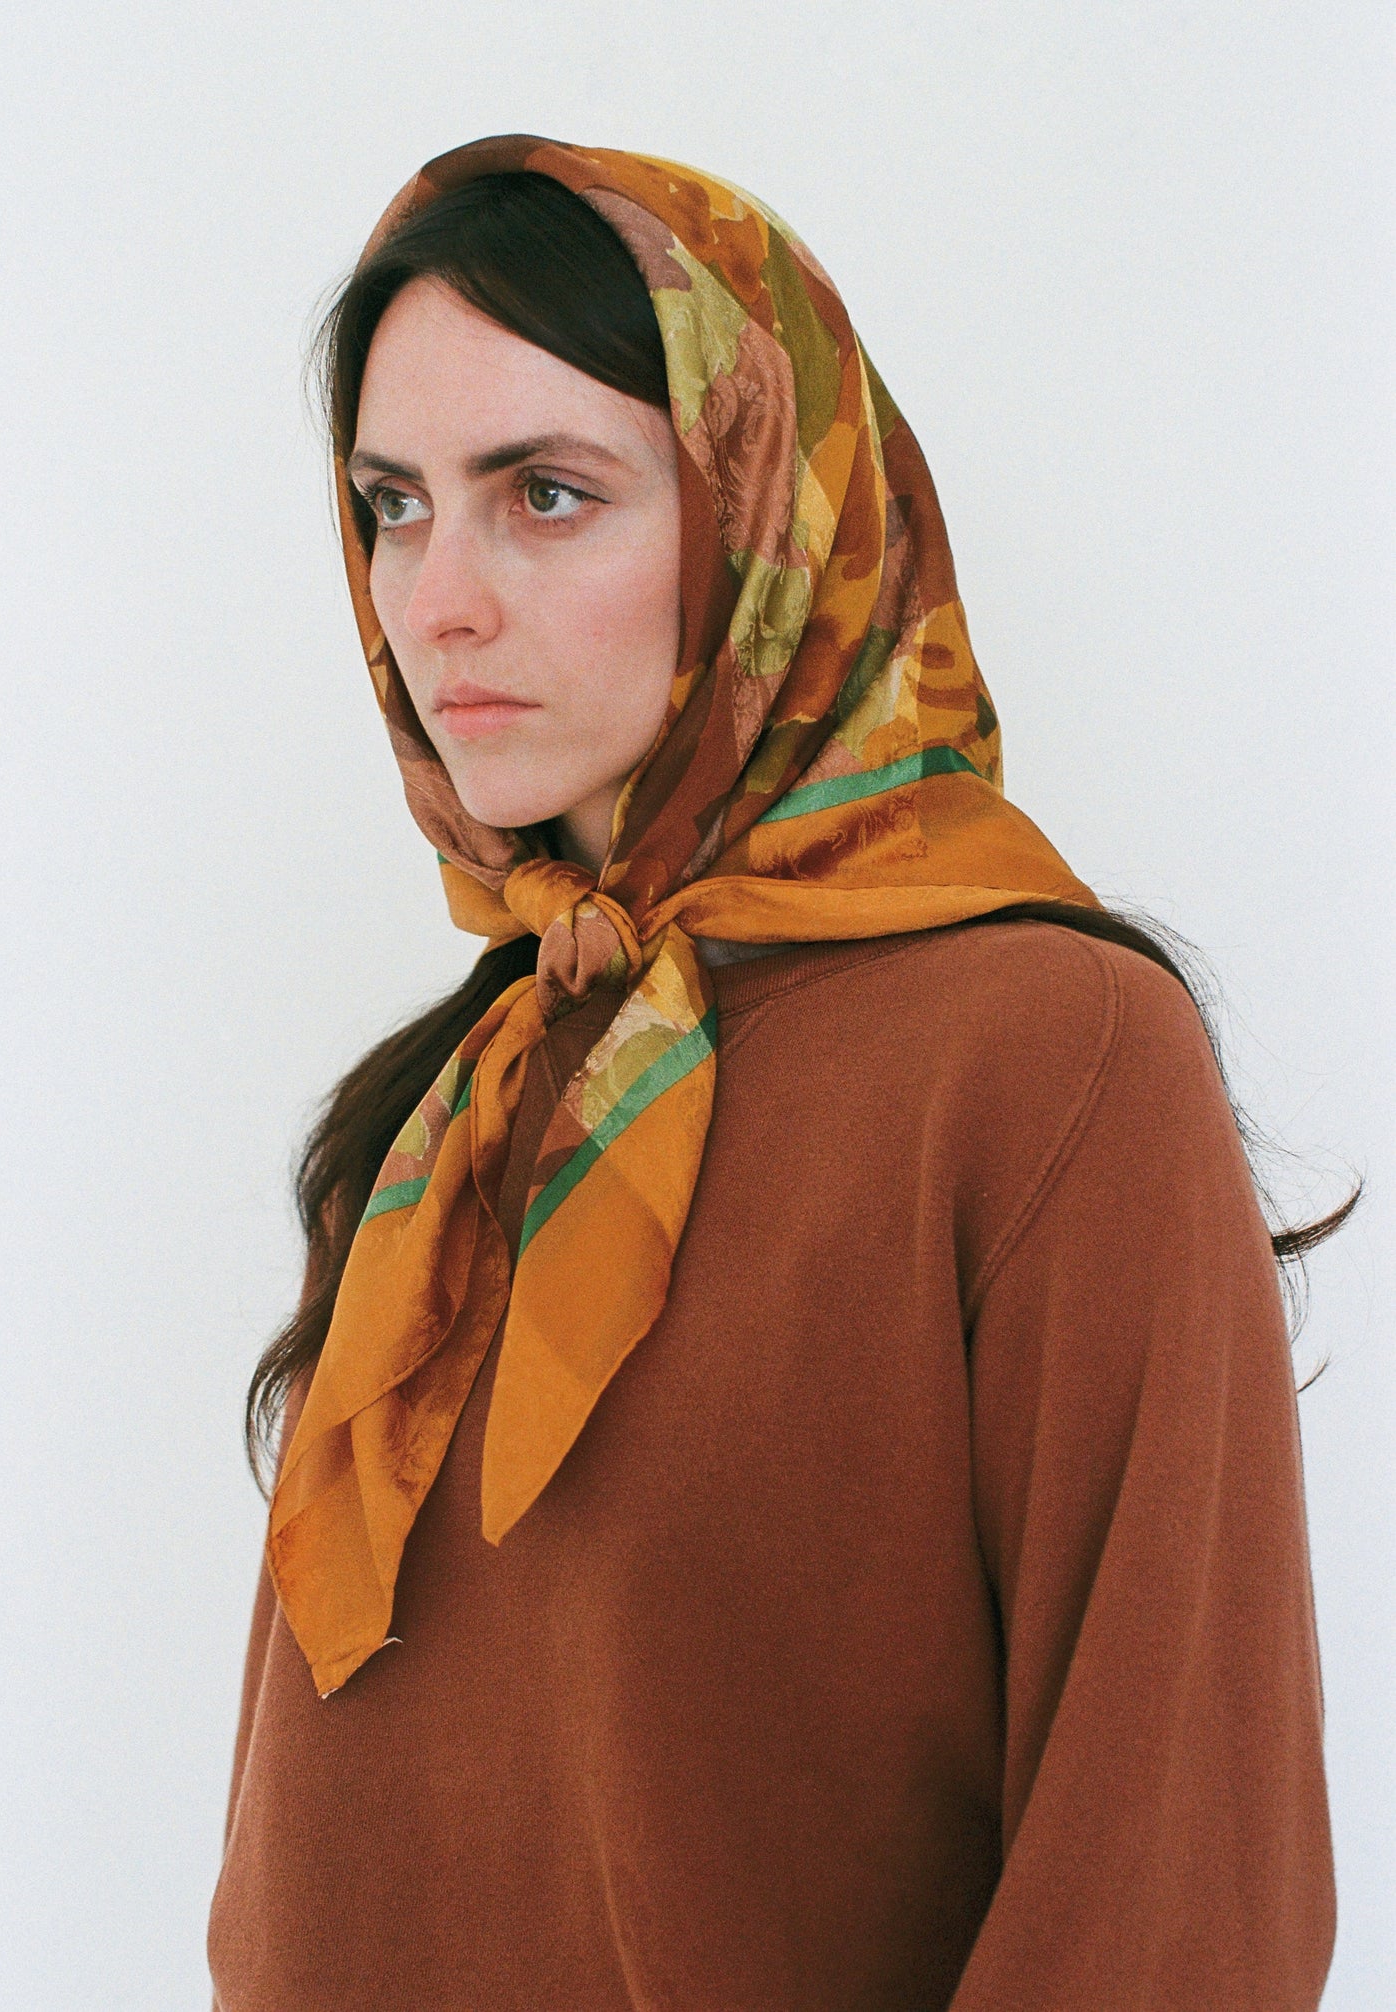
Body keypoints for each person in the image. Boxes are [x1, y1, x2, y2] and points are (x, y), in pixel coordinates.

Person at [208, 136, 1345, 2011]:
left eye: (547, 494)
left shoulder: (1044, 1061)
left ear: (763, 518)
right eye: (392, 504)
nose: (438, 600)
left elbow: (1173, 1897)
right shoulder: (444, 1115)